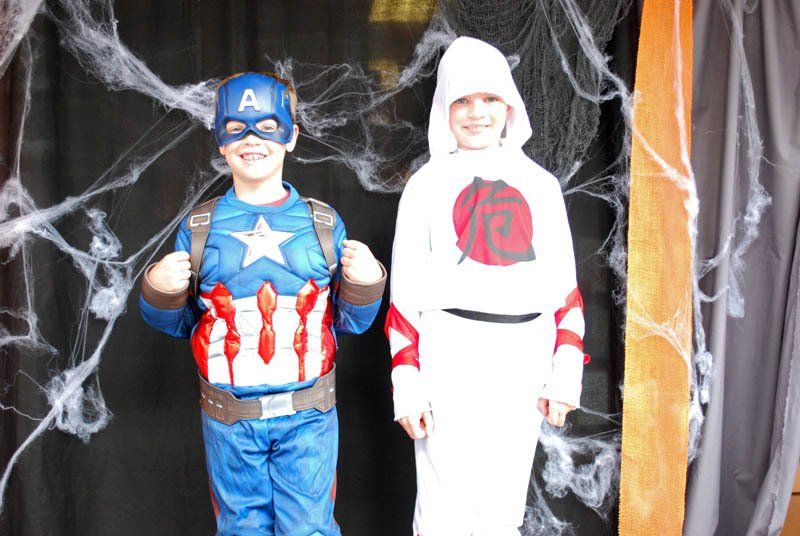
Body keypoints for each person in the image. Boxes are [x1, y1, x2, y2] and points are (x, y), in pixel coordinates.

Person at [139, 72, 386, 535]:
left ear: (290, 135)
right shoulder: (200, 227)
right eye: (236, 128)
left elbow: (348, 323)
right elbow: (180, 324)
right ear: (220, 140)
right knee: (241, 528)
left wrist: (367, 284)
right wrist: (161, 290)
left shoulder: (323, 224)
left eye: (267, 126)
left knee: (309, 528)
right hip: (229, 418)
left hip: (308, 415)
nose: (252, 140)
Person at [385, 37, 589, 535]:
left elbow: (566, 290)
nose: (476, 113)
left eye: (489, 99)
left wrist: (564, 377)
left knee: (502, 507)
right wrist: (407, 388)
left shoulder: (540, 184)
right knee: (441, 510)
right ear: (445, 108)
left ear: (509, 104)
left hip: (524, 356)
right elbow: (404, 297)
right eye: (462, 100)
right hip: (449, 354)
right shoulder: (425, 185)